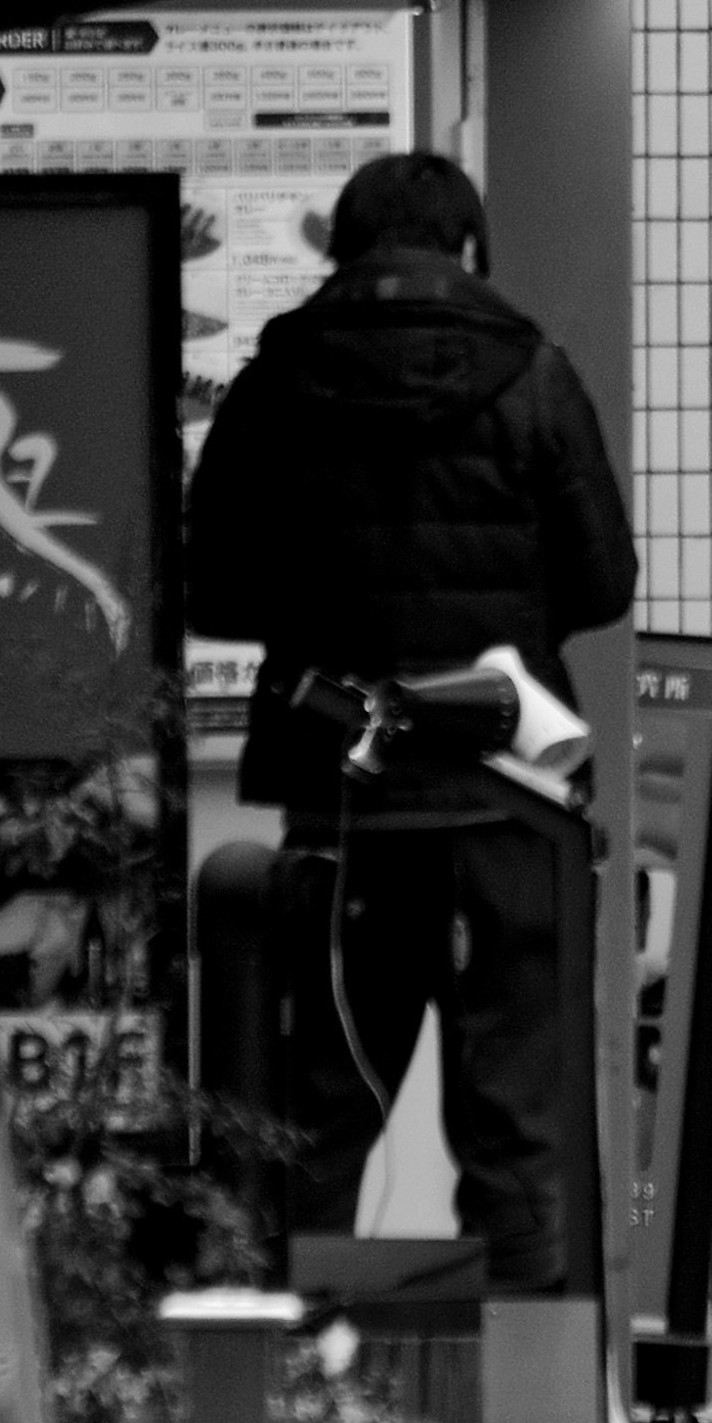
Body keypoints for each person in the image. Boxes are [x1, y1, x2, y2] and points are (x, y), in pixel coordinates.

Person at [184, 149, 639, 1297]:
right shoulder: (536, 372)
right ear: (470, 248)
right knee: (516, 1119)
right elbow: (601, 585)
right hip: (506, 797)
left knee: (323, 1113)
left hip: (345, 804)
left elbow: (216, 593)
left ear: (341, 247)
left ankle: (304, 1406)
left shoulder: (273, 380)